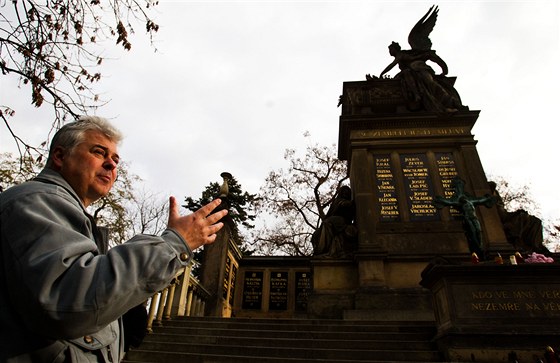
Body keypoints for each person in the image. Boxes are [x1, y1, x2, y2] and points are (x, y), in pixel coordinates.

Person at [0, 116, 228, 362]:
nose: (111, 165)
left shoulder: (67, 214)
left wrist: (119, 320)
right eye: (99, 153)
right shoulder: (34, 202)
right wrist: (173, 245)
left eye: (116, 160)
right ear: (59, 156)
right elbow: (67, 300)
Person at [378, 41, 465, 113]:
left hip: (420, 69)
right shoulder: (402, 56)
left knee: (431, 84)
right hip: (411, 73)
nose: (390, 51)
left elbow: (392, 65)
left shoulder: (401, 54)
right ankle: (418, 95)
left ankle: (452, 103)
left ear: (394, 49)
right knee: (427, 82)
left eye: (390, 49)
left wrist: (382, 74)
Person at [312, 186, 356, 258]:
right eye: (344, 191)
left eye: (347, 192)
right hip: (333, 220)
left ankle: (323, 249)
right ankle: (320, 250)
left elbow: (347, 208)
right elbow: (329, 214)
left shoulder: (347, 203)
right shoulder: (336, 201)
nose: (345, 193)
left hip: (342, 221)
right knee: (316, 234)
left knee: (327, 224)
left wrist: (344, 204)